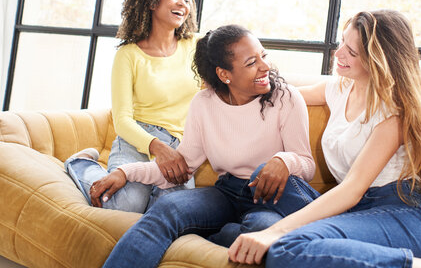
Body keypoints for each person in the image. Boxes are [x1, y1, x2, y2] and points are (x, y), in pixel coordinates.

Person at [228, 10, 421, 268]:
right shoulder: (339, 88)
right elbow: (282, 92)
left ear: (379, 60)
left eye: (352, 52)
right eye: (342, 43)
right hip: (354, 212)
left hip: (403, 216)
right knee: (265, 176)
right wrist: (230, 80)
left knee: (287, 248)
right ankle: (254, 232)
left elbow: (353, 189)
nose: (338, 54)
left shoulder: (394, 111)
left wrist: (273, 232)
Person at [101, 24, 318, 267]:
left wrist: (285, 161)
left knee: (261, 230)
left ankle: (224, 234)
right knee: (167, 208)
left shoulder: (285, 98)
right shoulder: (203, 104)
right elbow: (180, 168)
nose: (265, 66)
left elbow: (307, 166)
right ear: (225, 75)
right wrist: (124, 172)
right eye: (251, 63)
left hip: (268, 197)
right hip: (226, 191)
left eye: (263, 56)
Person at [64, 0, 199, 213]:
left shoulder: (196, 46)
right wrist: (157, 147)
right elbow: (122, 119)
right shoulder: (128, 55)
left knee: (173, 210)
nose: (183, 3)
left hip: (181, 145)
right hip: (138, 140)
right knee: (127, 205)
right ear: (151, 2)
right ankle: (82, 164)